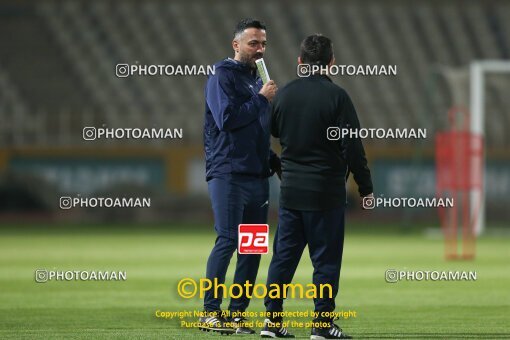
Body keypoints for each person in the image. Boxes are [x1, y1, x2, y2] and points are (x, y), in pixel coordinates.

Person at [260, 34, 373, 339]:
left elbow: (270, 133)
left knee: (282, 259)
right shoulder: (338, 98)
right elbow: (353, 147)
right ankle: (321, 327)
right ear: (331, 63)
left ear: (300, 63)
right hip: (326, 194)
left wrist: (278, 166)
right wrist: (366, 188)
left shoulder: (283, 96)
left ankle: (272, 322)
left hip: (291, 192)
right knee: (325, 262)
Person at [199, 18, 281, 335]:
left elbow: (256, 132)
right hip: (228, 172)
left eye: (263, 44)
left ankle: (237, 315)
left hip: (257, 175)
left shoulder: (254, 80)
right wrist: (261, 98)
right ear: (236, 45)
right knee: (229, 240)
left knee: (251, 247)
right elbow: (226, 120)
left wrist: (273, 160)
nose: (260, 49)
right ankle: (210, 312)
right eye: (253, 43)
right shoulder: (222, 75)